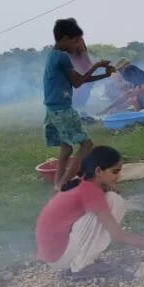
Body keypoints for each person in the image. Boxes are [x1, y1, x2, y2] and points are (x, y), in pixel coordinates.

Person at [36, 146, 144, 276]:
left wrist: (107, 186)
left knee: (111, 199)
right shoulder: (91, 192)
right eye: (115, 171)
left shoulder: (83, 184)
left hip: (52, 254)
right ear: (98, 171)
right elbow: (119, 236)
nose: (118, 176)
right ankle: (82, 265)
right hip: (58, 256)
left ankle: (82, 259)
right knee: (114, 201)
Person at [43, 18, 114, 191]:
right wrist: (96, 65)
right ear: (65, 38)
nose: (76, 46)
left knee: (66, 148)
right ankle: (64, 185)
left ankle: (57, 184)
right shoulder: (63, 57)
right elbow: (78, 83)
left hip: (52, 108)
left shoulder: (53, 55)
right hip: (62, 108)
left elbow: (81, 79)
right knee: (86, 145)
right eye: (75, 41)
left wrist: (104, 75)